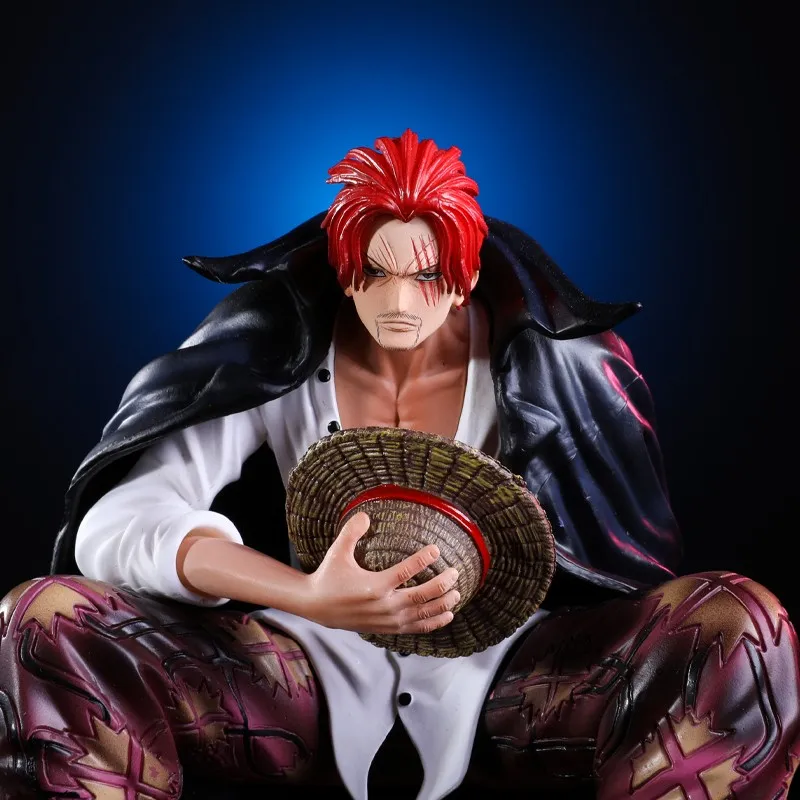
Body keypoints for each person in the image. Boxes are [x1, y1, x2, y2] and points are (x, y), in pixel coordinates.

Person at [1, 130, 797, 800]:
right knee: (46, 619)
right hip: (302, 676)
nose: (400, 302)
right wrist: (306, 594)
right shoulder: (278, 350)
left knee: (739, 625)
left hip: (515, 684)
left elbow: (633, 562)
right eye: (375, 272)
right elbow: (117, 526)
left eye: (427, 274)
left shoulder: (551, 366)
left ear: (467, 272)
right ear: (341, 266)